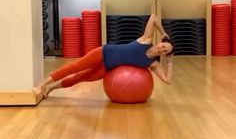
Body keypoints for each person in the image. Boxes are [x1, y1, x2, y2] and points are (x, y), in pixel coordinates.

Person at [33, 14, 174, 99]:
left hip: (107, 68)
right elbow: (154, 17)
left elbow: (167, 80)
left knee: (80, 77)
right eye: (164, 46)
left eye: (166, 51)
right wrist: (163, 32)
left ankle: (51, 88)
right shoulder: (147, 39)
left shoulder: (153, 64)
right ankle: (42, 85)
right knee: (74, 67)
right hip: (104, 53)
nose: (162, 49)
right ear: (161, 42)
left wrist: (170, 62)